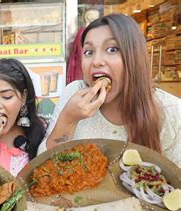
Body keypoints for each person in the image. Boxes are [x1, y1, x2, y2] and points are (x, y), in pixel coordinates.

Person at [38, 13, 181, 167]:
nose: (96, 61)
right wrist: (68, 120)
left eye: (112, 49)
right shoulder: (74, 93)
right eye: (88, 52)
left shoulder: (171, 110)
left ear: (134, 57)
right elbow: (40, 167)